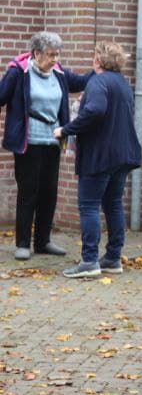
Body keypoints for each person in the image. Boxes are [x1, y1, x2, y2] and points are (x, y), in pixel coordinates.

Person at [0, 32, 93, 261]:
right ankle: (23, 243)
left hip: (53, 140)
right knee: (28, 191)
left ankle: (43, 241)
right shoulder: (18, 72)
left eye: (57, 54)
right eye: (51, 55)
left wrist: (102, 67)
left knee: (49, 192)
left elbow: (81, 83)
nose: (55, 59)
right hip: (28, 141)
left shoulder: (59, 72)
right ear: (37, 53)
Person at [54, 43, 142, 279]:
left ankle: (90, 260)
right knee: (113, 204)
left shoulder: (98, 82)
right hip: (122, 154)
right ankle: (113, 258)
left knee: (89, 206)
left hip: (100, 155)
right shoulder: (123, 84)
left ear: (98, 61)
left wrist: (66, 130)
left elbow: (94, 111)